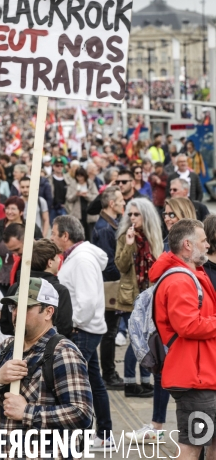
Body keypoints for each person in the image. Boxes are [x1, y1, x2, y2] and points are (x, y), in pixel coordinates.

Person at [0, 276, 93, 458]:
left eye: (26, 307)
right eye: (14, 307)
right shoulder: (6, 348)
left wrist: (27, 412)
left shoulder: (62, 352)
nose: (16, 313)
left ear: (48, 312)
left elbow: (82, 413)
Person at [126, 196, 197, 444]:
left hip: (186, 319)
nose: (166, 218)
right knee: (162, 370)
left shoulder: (192, 244)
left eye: (171, 214)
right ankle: (158, 425)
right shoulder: (170, 243)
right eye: (165, 214)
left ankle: (174, 428)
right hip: (166, 319)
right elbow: (156, 276)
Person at [149, 220, 216, 460]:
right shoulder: (180, 280)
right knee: (192, 447)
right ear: (187, 245)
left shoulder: (190, 274)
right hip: (194, 379)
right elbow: (188, 325)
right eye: (203, 241)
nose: (208, 245)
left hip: (203, 375)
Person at [53, 215, 114, 451]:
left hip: (83, 330)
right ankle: (104, 434)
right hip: (84, 328)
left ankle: (78, 439)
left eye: (54, 234)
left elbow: (87, 301)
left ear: (65, 236)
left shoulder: (82, 260)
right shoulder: (77, 257)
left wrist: (73, 323)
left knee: (75, 386)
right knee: (94, 382)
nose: (51, 238)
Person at [115, 198, 163, 398]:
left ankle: (144, 381)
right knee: (136, 340)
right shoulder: (125, 237)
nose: (133, 218)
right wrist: (128, 244)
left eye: (137, 214)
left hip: (149, 296)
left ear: (146, 215)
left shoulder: (154, 238)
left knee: (146, 339)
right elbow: (121, 266)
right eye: (130, 214)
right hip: (130, 297)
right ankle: (129, 383)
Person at [0, 239, 73, 338]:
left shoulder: (15, 287)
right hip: (50, 349)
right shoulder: (60, 291)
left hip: (18, 347)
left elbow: (5, 326)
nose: (60, 260)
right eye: (57, 257)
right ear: (50, 262)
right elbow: (65, 328)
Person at [92, 186, 125, 390]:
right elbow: (108, 263)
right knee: (110, 331)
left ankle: (109, 371)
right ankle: (108, 374)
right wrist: (124, 278)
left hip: (110, 283)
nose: (124, 202)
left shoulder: (111, 224)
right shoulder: (105, 228)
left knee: (110, 330)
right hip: (109, 285)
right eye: (121, 200)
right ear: (111, 204)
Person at [65, 166, 98, 241]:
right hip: (77, 214)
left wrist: (87, 195)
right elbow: (68, 198)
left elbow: (96, 197)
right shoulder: (72, 184)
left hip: (89, 213)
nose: (80, 178)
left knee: (90, 235)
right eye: (78, 176)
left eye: (81, 176)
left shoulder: (91, 183)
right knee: (79, 235)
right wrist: (76, 195)